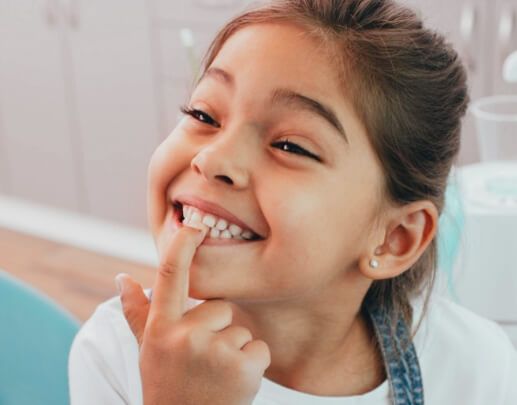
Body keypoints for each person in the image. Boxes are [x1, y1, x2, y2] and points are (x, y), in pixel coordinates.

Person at [68, 0, 517, 404]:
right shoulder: (115, 356)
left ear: (395, 239)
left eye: (290, 146)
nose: (211, 158)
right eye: (204, 115)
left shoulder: (477, 371)